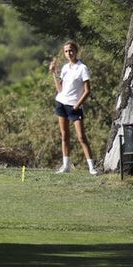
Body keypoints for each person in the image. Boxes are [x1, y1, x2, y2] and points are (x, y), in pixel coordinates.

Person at [49, 41, 98, 175]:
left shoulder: (82, 68)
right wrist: (54, 73)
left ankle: (92, 167)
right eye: (66, 51)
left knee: (81, 137)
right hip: (62, 103)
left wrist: (77, 105)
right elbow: (60, 89)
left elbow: (87, 90)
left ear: (76, 51)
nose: (68, 53)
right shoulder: (65, 68)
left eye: (71, 50)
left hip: (75, 106)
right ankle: (66, 166)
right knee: (64, 135)